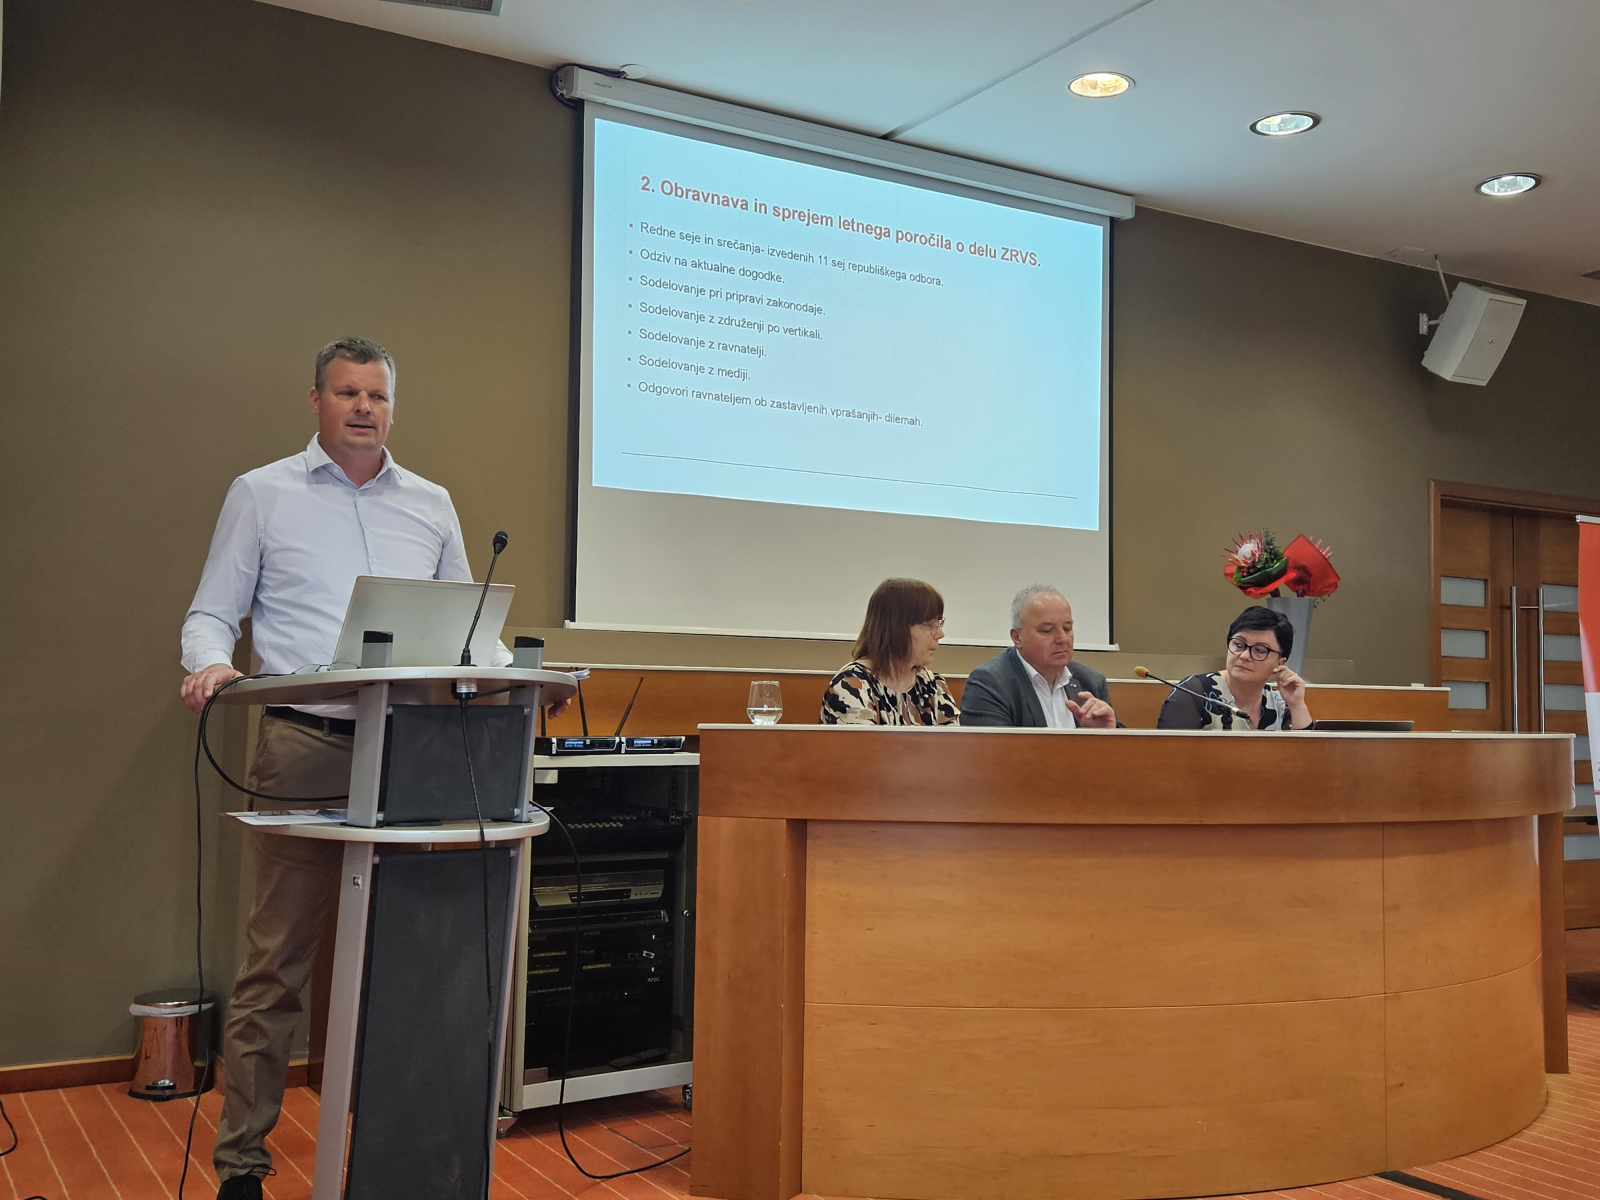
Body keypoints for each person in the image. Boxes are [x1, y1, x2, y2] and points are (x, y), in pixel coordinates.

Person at [180, 337, 563, 1200]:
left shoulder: (431, 503)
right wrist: (211, 664)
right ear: (316, 400)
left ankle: (410, 1156)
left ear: (392, 407)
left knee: (421, 960)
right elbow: (211, 613)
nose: (364, 407)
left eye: (377, 395)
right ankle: (242, 1165)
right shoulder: (262, 493)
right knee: (275, 965)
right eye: (347, 392)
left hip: (417, 751)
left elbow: (472, 631)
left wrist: (522, 677)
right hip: (305, 742)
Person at [959, 585, 1118, 728]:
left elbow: (1120, 747)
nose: (1063, 639)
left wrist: (1107, 734)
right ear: (1017, 637)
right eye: (1047, 630)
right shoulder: (990, 683)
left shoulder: (1091, 681)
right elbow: (993, 750)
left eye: (1067, 628)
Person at [820, 578, 960, 725]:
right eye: (928, 625)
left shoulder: (932, 684)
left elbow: (955, 738)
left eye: (939, 623)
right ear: (896, 628)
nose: (939, 634)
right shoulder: (851, 685)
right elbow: (865, 741)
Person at [1156, 606, 1312, 731]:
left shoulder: (1278, 703)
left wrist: (1297, 705)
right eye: (1238, 645)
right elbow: (1166, 755)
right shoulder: (1193, 693)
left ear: (1279, 663)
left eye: (1259, 650)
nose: (1244, 655)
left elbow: (1305, 757)